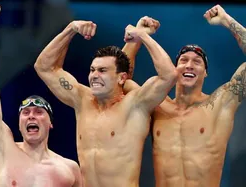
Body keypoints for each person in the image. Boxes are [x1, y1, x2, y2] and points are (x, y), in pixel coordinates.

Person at [34, 16, 177, 187]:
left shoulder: (135, 105)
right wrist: (70, 29)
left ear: (121, 78)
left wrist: (143, 36)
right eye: (92, 70)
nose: (94, 75)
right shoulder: (81, 99)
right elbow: (44, 67)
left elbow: (169, 75)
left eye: (102, 71)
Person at [124, 4, 246, 187]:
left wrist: (227, 21)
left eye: (197, 62)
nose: (189, 65)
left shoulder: (221, 103)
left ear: (205, 73)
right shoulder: (158, 107)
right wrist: (136, 37)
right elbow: (120, 79)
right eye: (183, 60)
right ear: (174, 69)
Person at [0, 3, 82, 187]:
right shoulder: (2, 148)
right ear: (19, 123)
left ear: (50, 123)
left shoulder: (68, 170)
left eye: (38, 112)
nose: (31, 115)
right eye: (25, 113)